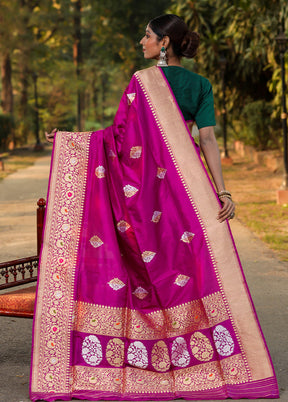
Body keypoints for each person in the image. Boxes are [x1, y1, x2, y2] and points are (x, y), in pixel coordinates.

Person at [31, 14, 278, 402]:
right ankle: (199, 361)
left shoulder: (142, 82)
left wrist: (70, 142)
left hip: (142, 194)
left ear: (164, 43)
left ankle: (147, 360)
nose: (140, 42)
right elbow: (208, 140)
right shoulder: (200, 85)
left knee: (144, 270)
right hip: (185, 192)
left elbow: (117, 140)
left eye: (146, 36)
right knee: (185, 271)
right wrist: (222, 191)